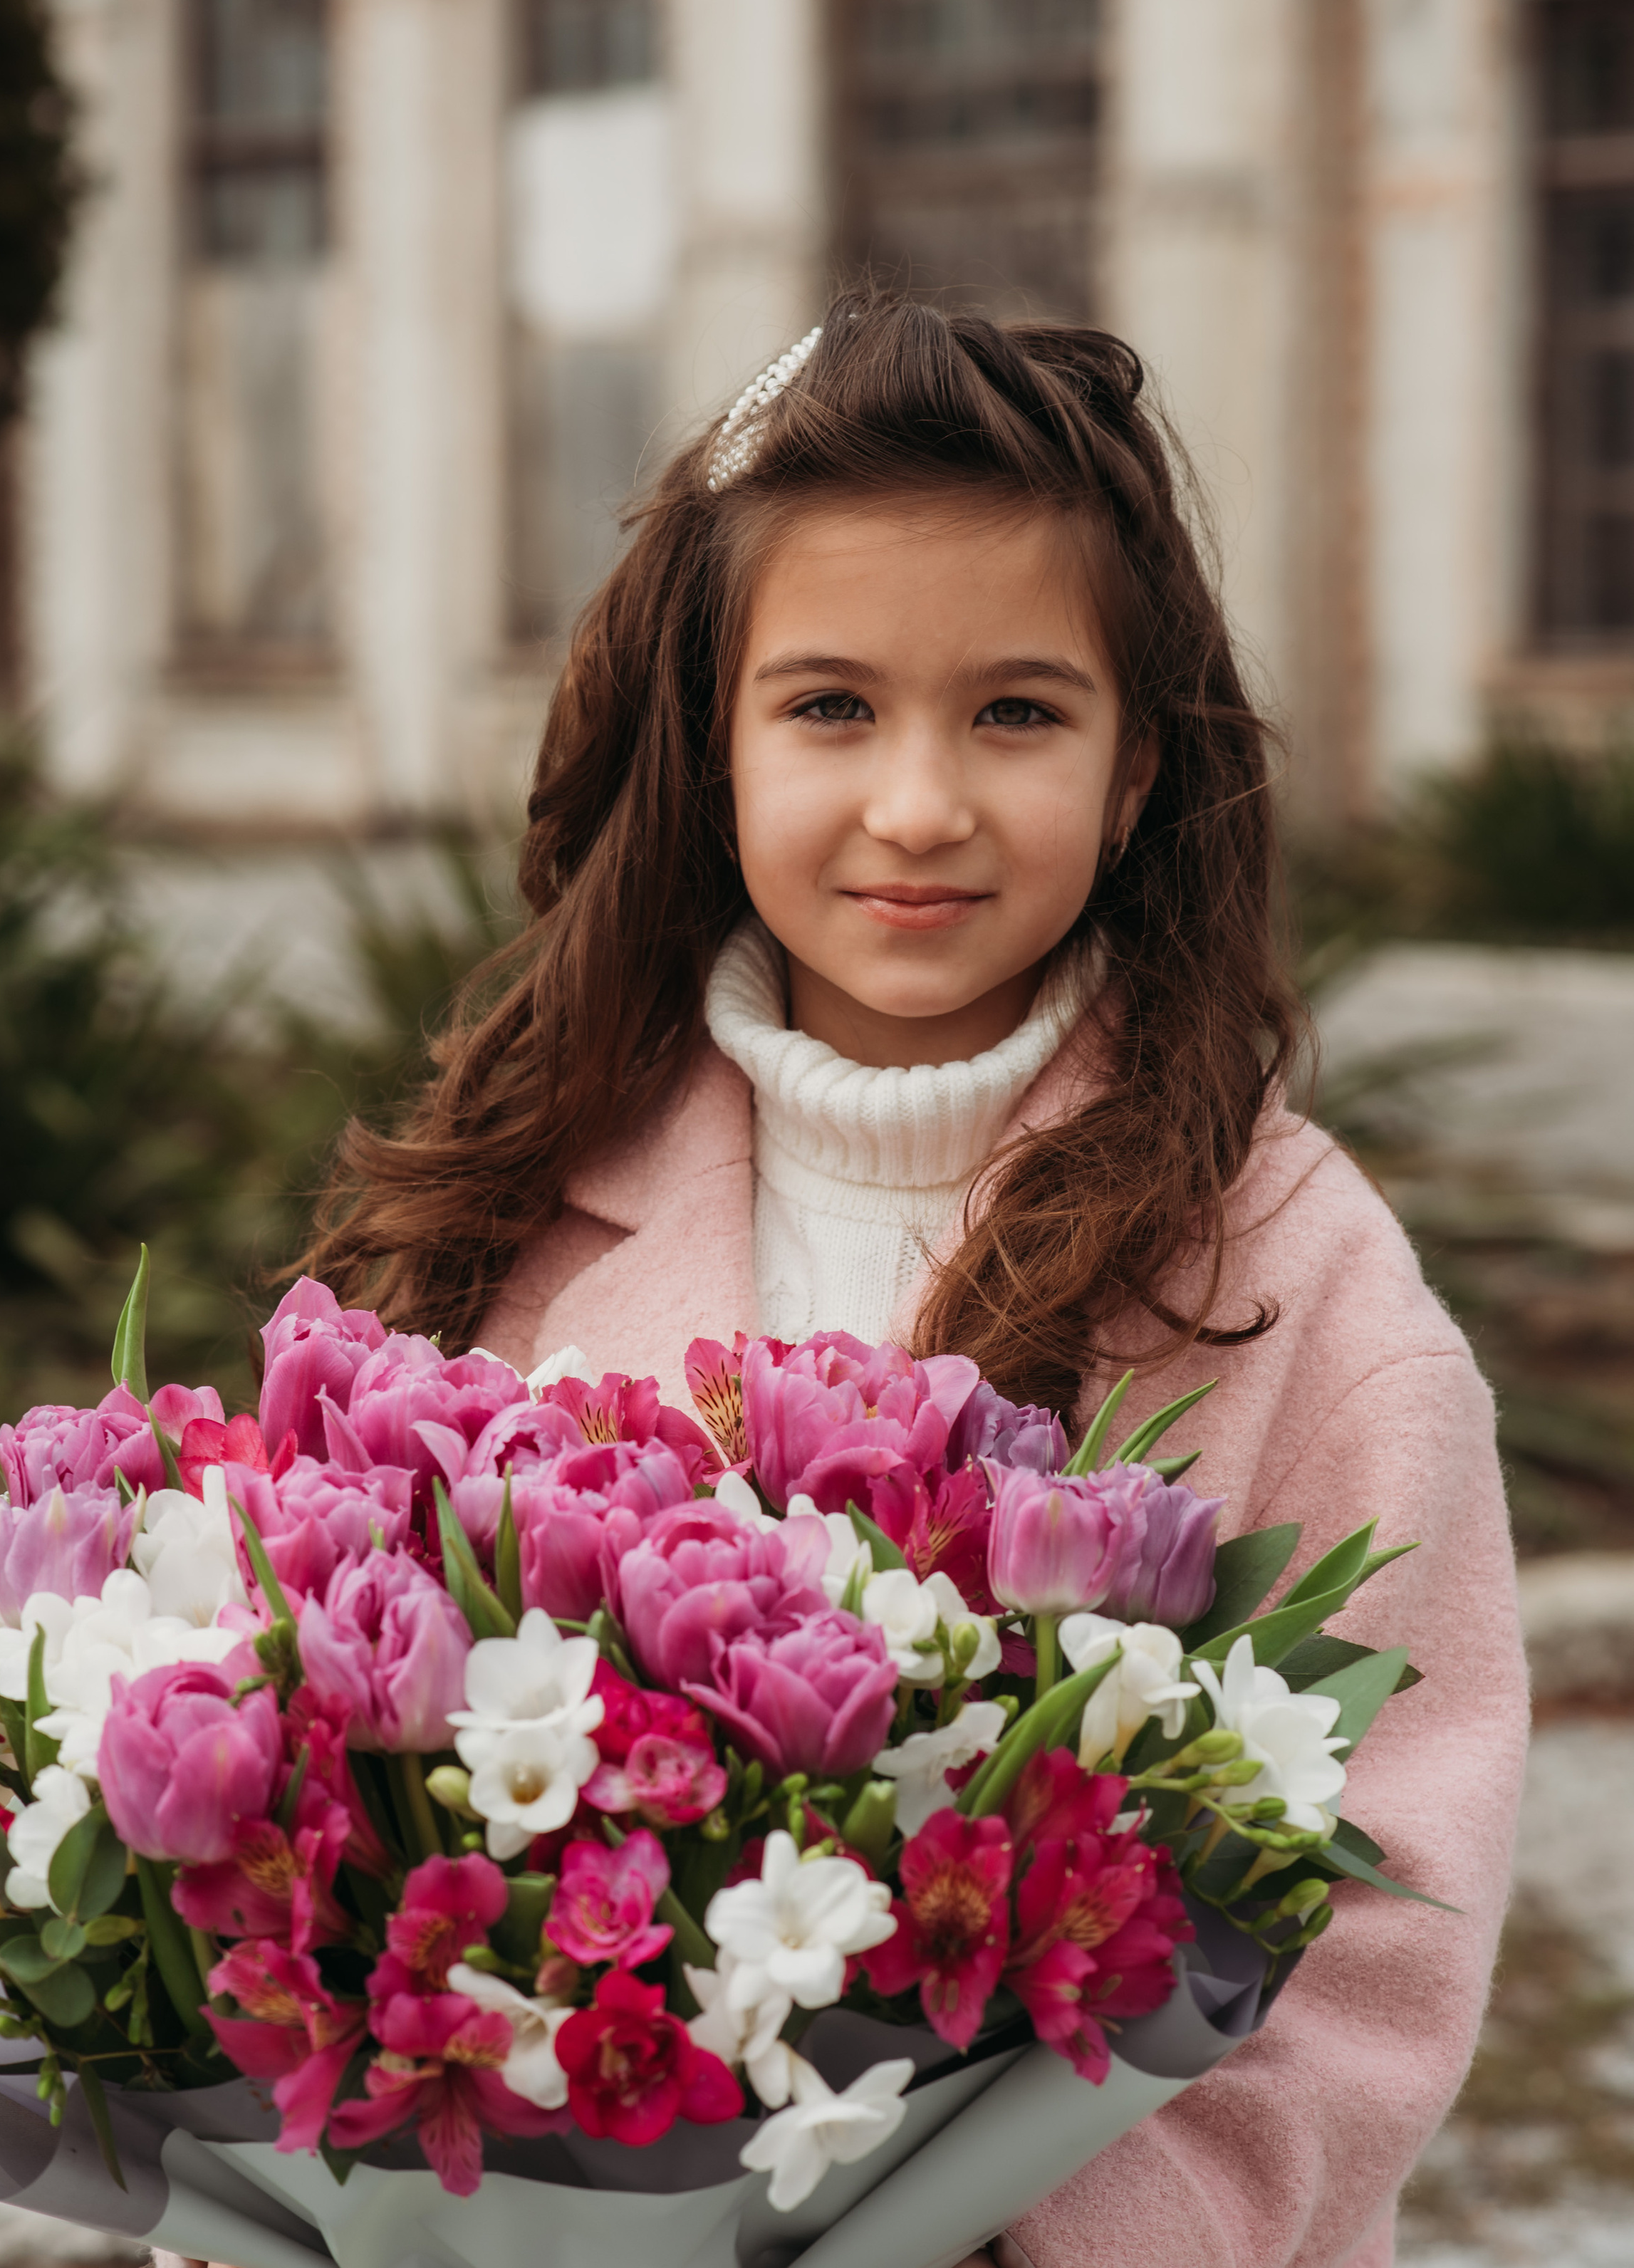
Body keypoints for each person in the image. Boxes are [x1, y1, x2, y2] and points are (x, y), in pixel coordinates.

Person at [303, 295, 1526, 2268]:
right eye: (831, 707)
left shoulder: (1300, 1279)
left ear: (1137, 769)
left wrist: (1016, 2242)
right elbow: (318, 1821)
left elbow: (1376, 1942)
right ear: (710, 740)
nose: (920, 806)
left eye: (1018, 712)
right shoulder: (507, 1215)